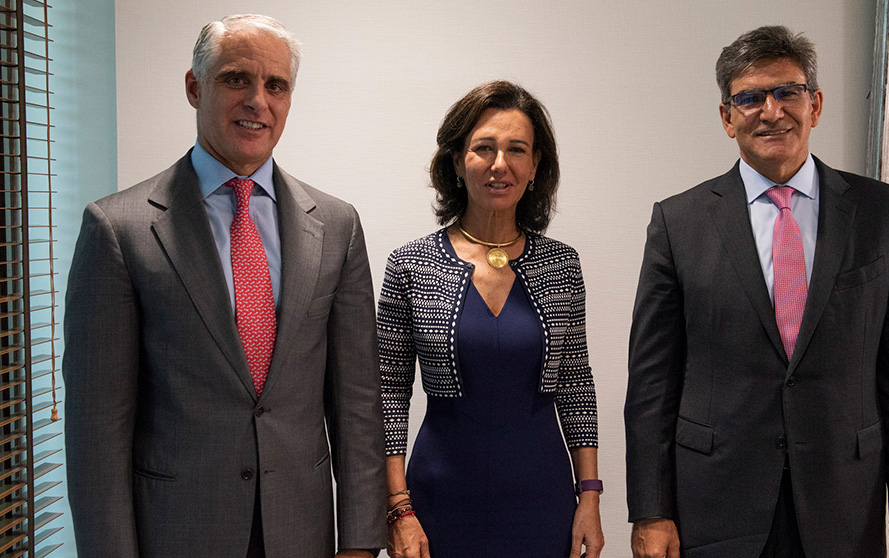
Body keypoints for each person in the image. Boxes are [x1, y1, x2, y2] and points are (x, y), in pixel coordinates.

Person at [63, 14, 385, 558]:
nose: (258, 100)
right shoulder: (118, 230)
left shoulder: (337, 225)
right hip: (177, 533)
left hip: (302, 534)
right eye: (237, 78)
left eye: (276, 85)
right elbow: (97, 430)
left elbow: (356, 402)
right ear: (194, 86)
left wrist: (360, 541)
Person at [625, 26, 889, 558]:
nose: (771, 111)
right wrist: (651, 512)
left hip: (844, 501)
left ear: (814, 105)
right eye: (749, 98)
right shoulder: (678, 223)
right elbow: (652, 382)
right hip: (716, 503)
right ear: (727, 118)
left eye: (787, 92)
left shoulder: (884, 215)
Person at [377, 80, 604, 558]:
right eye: (484, 148)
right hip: (437, 504)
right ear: (458, 161)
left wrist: (590, 498)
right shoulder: (409, 264)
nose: (500, 164)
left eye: (517, 149)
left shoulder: (562, 265)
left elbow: (577, 385)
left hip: (542, 504)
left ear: (536, 165)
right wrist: (399, 509)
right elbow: (388, 394)